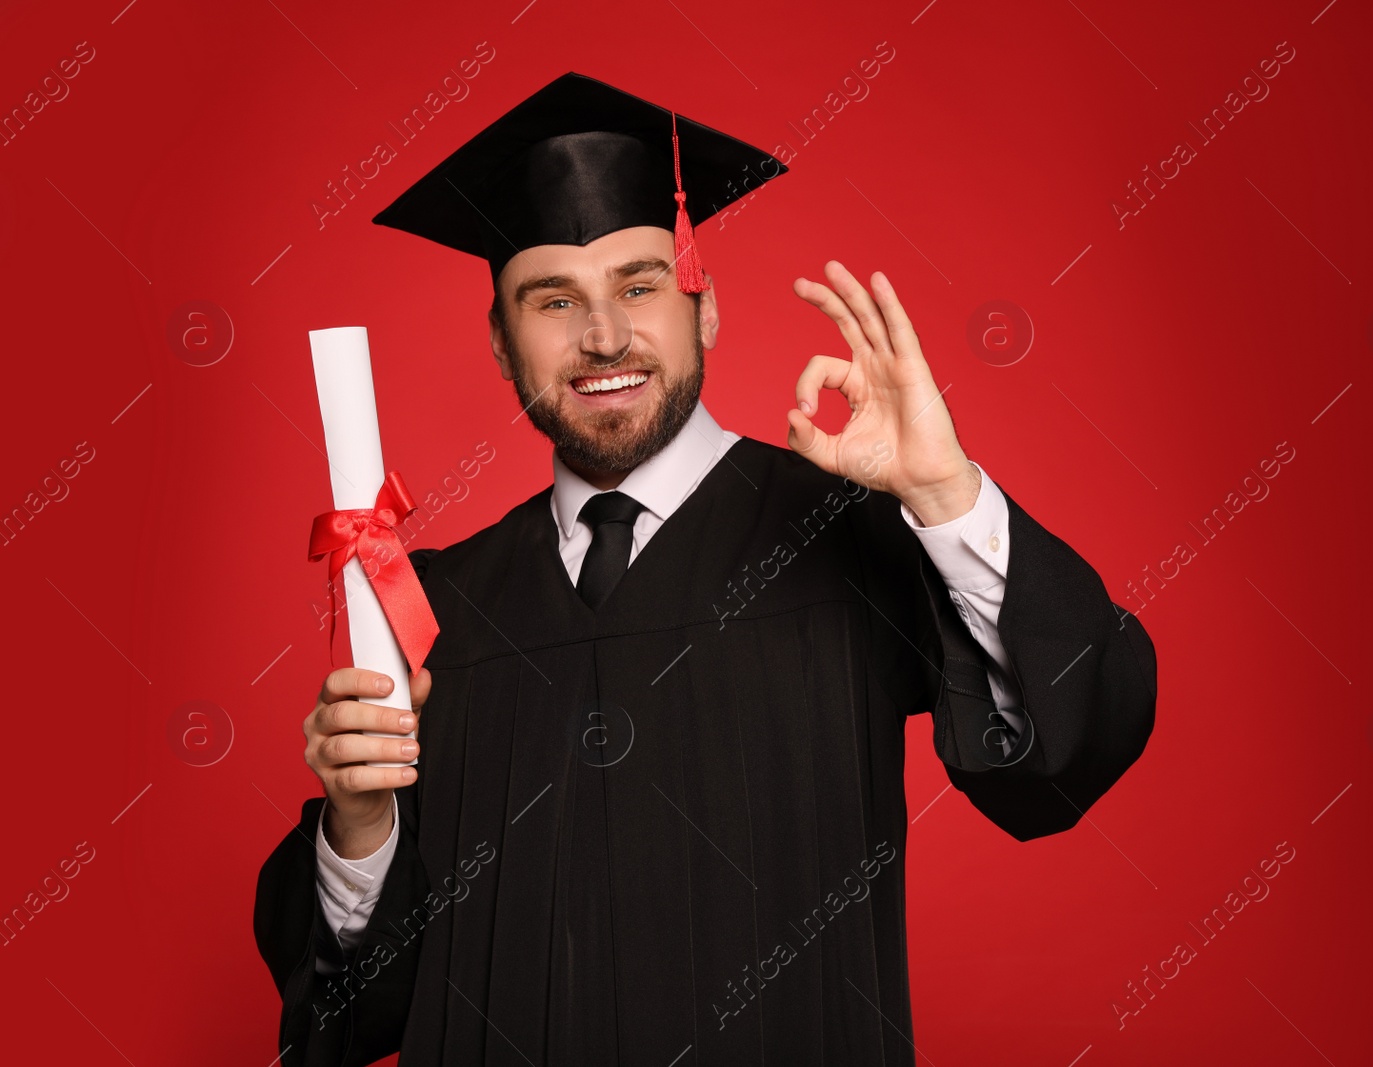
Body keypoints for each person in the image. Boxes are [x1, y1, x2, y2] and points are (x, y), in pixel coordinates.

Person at [254, 71, 1157, 1067]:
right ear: (503, 344)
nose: (603, 336)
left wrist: (943, 493)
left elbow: (1064, 754)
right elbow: (361, 1007)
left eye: (640, 284)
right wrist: (361, 819)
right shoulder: (433, 607)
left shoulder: (842, 535)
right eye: (554, 300)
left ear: (705, 305)